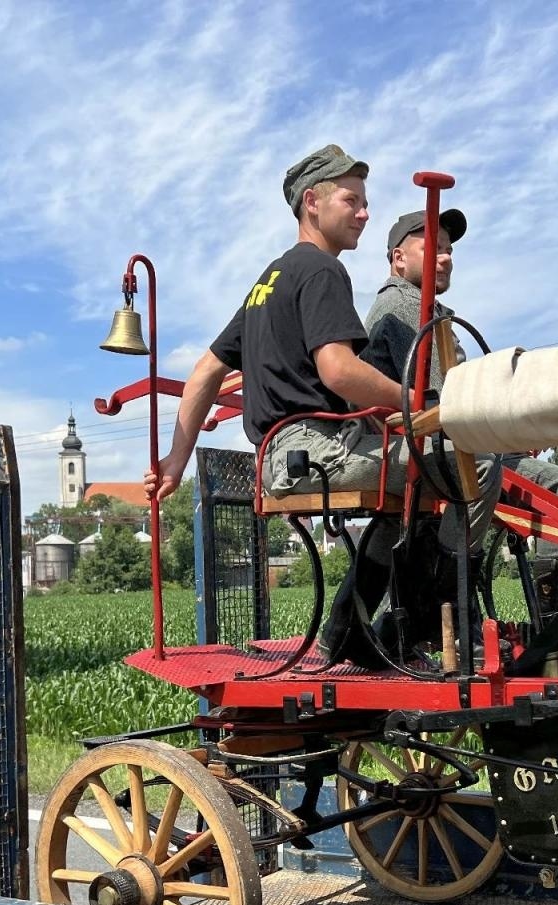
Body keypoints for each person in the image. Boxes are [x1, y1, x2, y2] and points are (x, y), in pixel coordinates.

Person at [143, 145, 499, 665]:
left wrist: (176, 461)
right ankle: (431, 616)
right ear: (313, 202)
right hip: (317, 451)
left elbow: (205, 373)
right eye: (352, 200)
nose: (364, 213)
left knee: (404, 502)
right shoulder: (323, 270)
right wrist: (418, 399)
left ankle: (346, 631)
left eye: (364, 201)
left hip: (283, 456)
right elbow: (338, 370)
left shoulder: (270, 280)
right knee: (478, 467)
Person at [361, 208, 558, 620]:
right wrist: (507, 430)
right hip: (434, 447)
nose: (445, 258)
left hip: (452, 439)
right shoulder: (403, 307)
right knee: (556, 488)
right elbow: (449, 400)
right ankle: (447, 604)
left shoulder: (432, 310)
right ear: (398, 258)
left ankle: (550, 606)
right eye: (433, 248)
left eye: (448, 250)